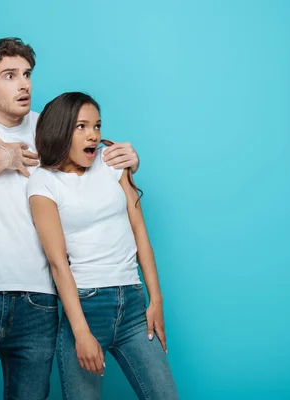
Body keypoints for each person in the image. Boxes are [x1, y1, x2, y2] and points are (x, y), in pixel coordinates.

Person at [0, 38, 139, 400]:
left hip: (39, 305)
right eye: (10, 75)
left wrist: (128, 162)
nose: (24, 84)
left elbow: (94, 172)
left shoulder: (48, 129)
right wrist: (0, 160)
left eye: (27, 74)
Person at [27, 92, 178, 400]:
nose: (93, 135)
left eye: (97, 126)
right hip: (85, 307)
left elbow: (139, 229)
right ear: (60, 130)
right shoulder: (43, 181)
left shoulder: (111, 162)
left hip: (133, 306)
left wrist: (156, 299)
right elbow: (58, 264)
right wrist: (81, 332)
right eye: (81, 126)